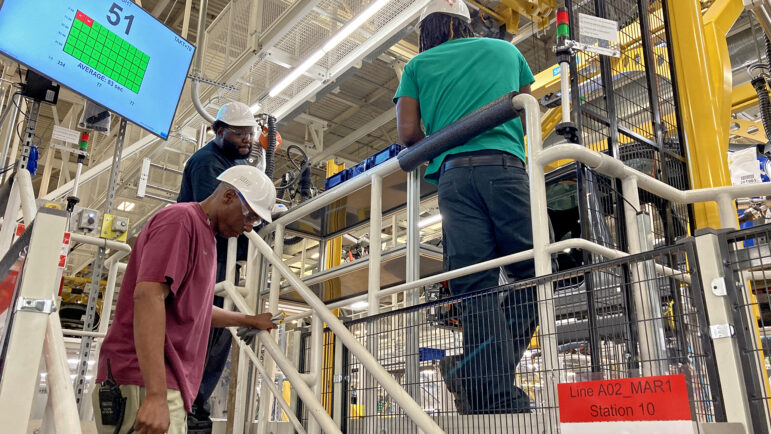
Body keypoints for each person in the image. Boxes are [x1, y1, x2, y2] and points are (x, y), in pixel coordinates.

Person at [394, 0, 538, 414]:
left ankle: (480, 384)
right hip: (505, 170)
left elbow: (408, 134)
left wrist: (445, 126)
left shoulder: (417, 67)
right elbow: (528, 115)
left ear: (426, 32)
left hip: (453, 179)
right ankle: (479, 381)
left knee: (476, 287)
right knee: (534, 274)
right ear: (466, 21)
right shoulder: (507, 52)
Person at [93, 165, 278, 434]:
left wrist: (248, 320)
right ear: (228, 196)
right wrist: (156, 395)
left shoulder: (206, 237)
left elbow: (197, 308)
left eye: (256, 222)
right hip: (144, 381)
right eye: (249, 215)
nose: (249, 227)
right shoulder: (180, 221)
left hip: (162, 384)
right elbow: (148, 296)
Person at [177, 101, 259, 429]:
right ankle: (191, 410)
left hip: (219, 264)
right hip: (205, 261)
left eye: (250, 135)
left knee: (215, 343)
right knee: (205, 341)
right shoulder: (207, 162)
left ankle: (195, 409)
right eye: (239, 134)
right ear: (219, 131)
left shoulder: (230, 163)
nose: (247, 141)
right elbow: (220, 214)